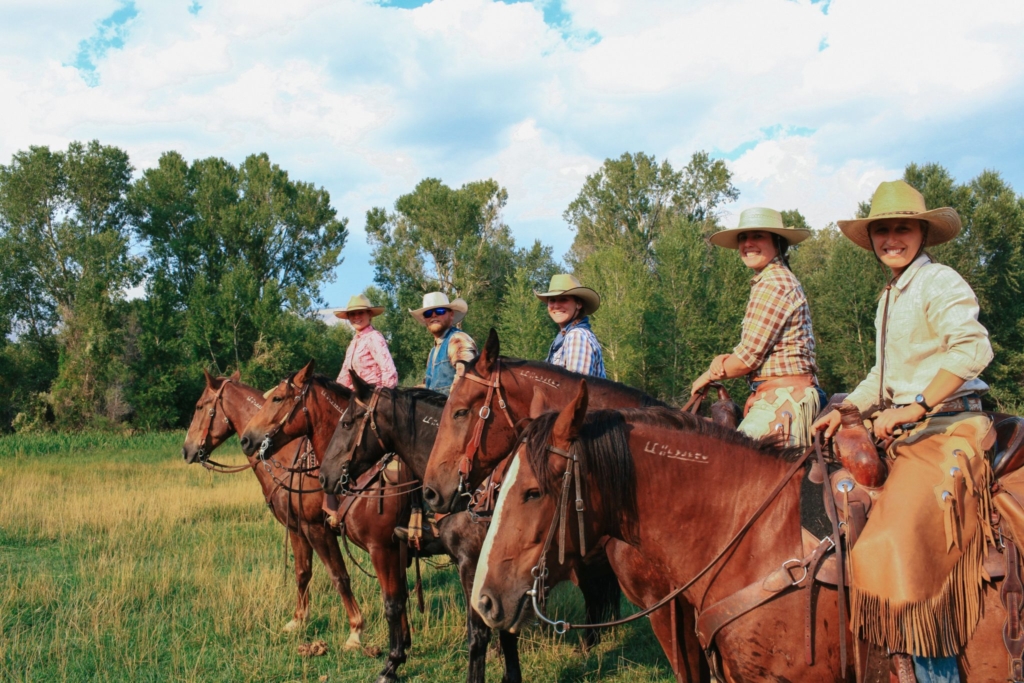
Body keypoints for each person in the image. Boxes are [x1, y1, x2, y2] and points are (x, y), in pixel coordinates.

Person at [812, 180, 993, 681]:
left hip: (949, 425)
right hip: (909, 429)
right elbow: (882, 375)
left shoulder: (939, 282)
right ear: (872, 239)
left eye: (903, 229)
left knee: (900, 544)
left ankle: (936, 671)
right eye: (883, 230)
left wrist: (917, 405)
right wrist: (847, 406)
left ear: (923, 234)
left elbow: (973, 349)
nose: (892, 238)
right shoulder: (890, 296)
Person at [691, 207, 820, 446]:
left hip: (784, 398)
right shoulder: (774, 279)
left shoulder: (773, 283)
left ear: (777, 242)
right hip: (776, 394)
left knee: (731, 459)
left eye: (758, 236)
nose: (748, 243)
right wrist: (726, 360)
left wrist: (708, 376)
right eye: (743, 237)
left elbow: (747, 358)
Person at [534, 274, 606, 378]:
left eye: (563, 299)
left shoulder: (577, 336)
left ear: (579, 304)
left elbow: (576, 386)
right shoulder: (564, 337)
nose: (556, 305)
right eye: (552, 300)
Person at [409, 291, 477, 395]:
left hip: (455, 405)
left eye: (440, 311)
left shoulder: (457, 339)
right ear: (425, 319)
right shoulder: (433, 351)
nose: (433, 315)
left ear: (451, 314)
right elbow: (432, 387)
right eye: (428, 313)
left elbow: (466, 379)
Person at [334, 294, 398, 390]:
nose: (356, 317)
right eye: (352, 314)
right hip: (357, 395)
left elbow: (389, 372)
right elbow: (345, 375)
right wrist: (336, 391)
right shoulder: (353, 343)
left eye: (361, 313)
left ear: (369, 314)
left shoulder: (374, 337)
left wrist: (382, 394)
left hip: (374, 394)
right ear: (348, 317)